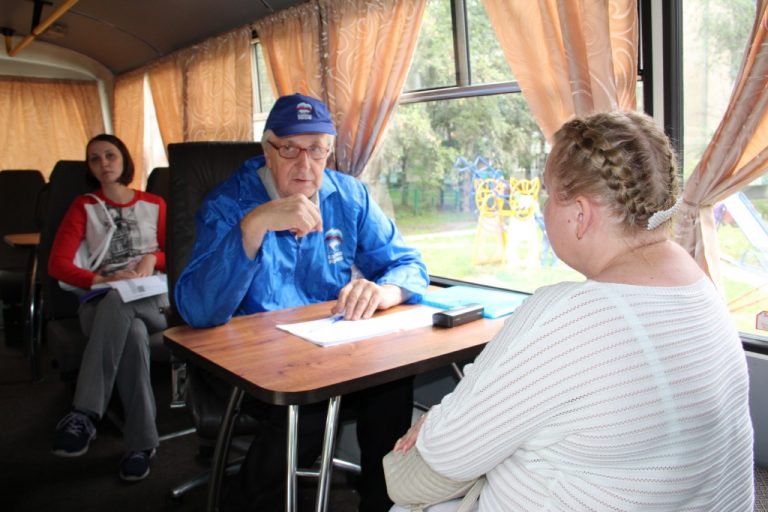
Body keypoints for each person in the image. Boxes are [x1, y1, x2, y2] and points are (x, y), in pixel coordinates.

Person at [390, 111, 754, 511]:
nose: (544, 209)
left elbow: (419, 475)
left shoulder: (568, 315)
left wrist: (439, 424)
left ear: (580, 214)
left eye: (548, 194)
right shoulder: (701, 288)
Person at [174, 93, 429, 511]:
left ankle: (380, 504)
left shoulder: (348, 196)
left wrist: (383, 291)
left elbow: (408, 264)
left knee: (391, 386)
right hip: (248, 365)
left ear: (329, 151)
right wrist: (252, 227)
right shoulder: (228, 203)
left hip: (326, 354)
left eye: (316, 150)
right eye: (289, 149)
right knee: (306, 405)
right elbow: (198, 310)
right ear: (267, 150)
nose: (305, 165)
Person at [49, 134, 168, 482]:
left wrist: (153, 258)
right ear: (89, 167)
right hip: (102, 302)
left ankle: (85, 412)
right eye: (95, 159)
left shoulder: (155, 203)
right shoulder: (83, 206)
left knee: (123, 302)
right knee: (131, 331)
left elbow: (178, 253)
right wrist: (102, 279)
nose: (103, 163)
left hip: (152, 298)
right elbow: (57, 265)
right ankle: (142, 445)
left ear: (124, 159)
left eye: (110, 155)